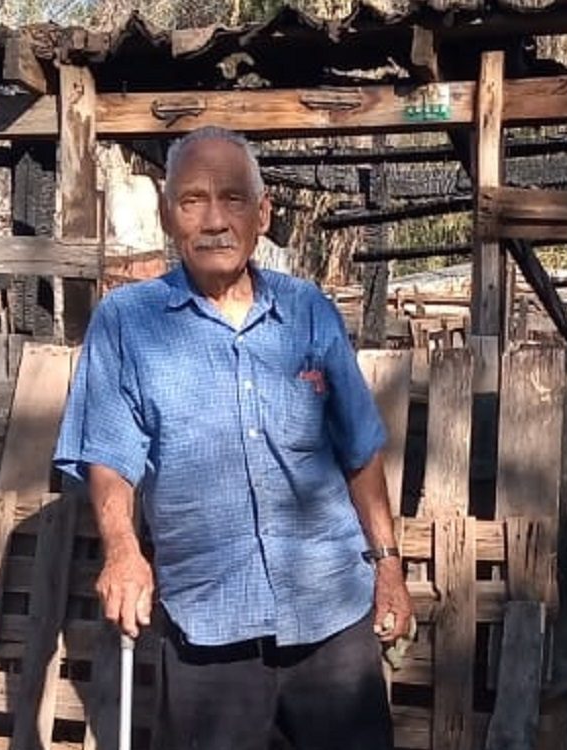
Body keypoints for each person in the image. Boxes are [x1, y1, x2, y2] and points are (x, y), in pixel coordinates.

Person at [54, 125, 413, 750]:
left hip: (330, 612)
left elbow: (360, 448)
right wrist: (123, 551)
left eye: (233, 199)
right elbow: (109, 454)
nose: (215, 220)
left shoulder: (308, 311)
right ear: (168, 214)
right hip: (210, 621)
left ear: (263, 214)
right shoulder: (127, 323)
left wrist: (388, 567)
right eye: (193, 200)